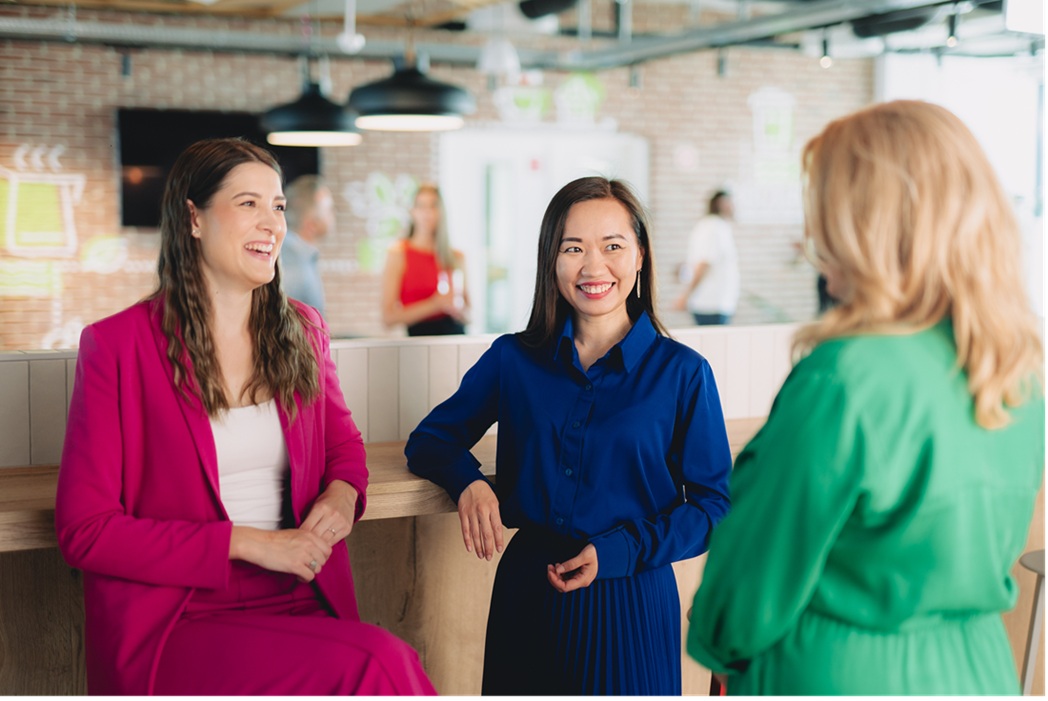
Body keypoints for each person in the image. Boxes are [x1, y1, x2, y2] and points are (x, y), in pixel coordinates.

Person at [54, 138, 436, 696]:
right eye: (248, 204)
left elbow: (343, 451)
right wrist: (248, 542)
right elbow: (85, 532)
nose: (272, 224)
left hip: (301, 594)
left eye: (278, 206)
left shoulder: (304, 331)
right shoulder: (117, 346)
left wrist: (341, 495)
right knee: (380, 666)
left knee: (381, 664)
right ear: (194, 217)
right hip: (179, 619)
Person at [687, 100, 1045, 695]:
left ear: (869, 222)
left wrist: (716, 642)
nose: (811, 237)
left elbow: (745, 591)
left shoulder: (845, 379)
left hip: (840, 673)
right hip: (980, 671)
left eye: (824, 210)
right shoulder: (1016, 368)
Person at [405, 176, 733, 694]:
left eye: (613, 246)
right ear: (550, 260)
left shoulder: (683, 373)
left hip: (631, 599)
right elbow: (429, 440)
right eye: (573, 247)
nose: (593, 266)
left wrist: (620, 552)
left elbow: (714, 508)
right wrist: (467, 482)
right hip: (527, 595)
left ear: (641, 256)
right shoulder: (514, 359)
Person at [380, 183, 470, 336]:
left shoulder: (456, 256)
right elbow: (388, 318)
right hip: (419, 342)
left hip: (454, 338)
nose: (427, 213)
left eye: (433, 206)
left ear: (442, 212)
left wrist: (459, 311)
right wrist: (435, 305)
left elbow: (470, 315)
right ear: (412, 211)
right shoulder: (398, 253)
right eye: (421, 206)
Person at [673, 189, 740, 325]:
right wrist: (685, 296)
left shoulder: (719, 227)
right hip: (710, 305)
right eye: (732, 202)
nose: (735, 206)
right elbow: (703, 264)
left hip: (717, 304)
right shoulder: (712, 227)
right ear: (722, 203)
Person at [279, 174, 335, 316]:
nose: (333, 216)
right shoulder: (292, 263)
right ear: (312, 225)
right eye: (330, 209)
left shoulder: (302, 257)